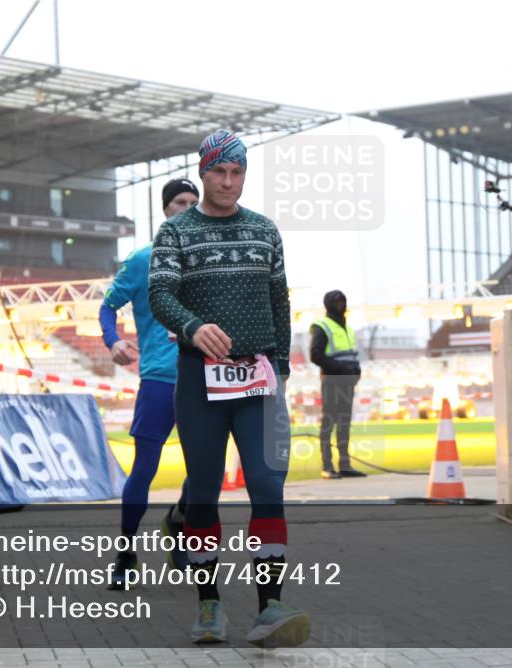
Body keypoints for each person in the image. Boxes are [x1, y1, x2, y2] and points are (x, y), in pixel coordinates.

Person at [149, 130, 309, 648]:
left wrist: (280, 368)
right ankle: (209, 604)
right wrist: (194, 326)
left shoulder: (265, 232)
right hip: (200, 379)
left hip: (259, 378)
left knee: (267, 485)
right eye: (219, 172)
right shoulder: (176, 233)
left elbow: (278, 303)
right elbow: (159, 294)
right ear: (202, 172)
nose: (228, 182)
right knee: (203, 491)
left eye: (237, 173)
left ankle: (270, 607)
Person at [99, 178, 200, 588]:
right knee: (144, 470)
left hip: (204, 377)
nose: (189, 208)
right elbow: (108, 308)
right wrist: (114, 340)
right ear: (165, 210)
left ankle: (178, 523)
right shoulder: (143, 260)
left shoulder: (210, 261)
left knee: (203, 473)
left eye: (195, 202)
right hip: (160, 378)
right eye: (180, 202)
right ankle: (125, 553)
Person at [309, 290, 366, 479]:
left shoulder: (346, 327)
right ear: (328, 304)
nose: (341, 304)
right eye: (336, 302)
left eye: (343, 301)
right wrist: (343, 369)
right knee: (329, 423)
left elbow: (352, 354)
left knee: (344, 423)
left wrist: (356, 371)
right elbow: (315, 355)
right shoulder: (322, 326)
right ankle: (327, 466)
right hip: (332, 380)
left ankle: (345, 464)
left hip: (347, 381)